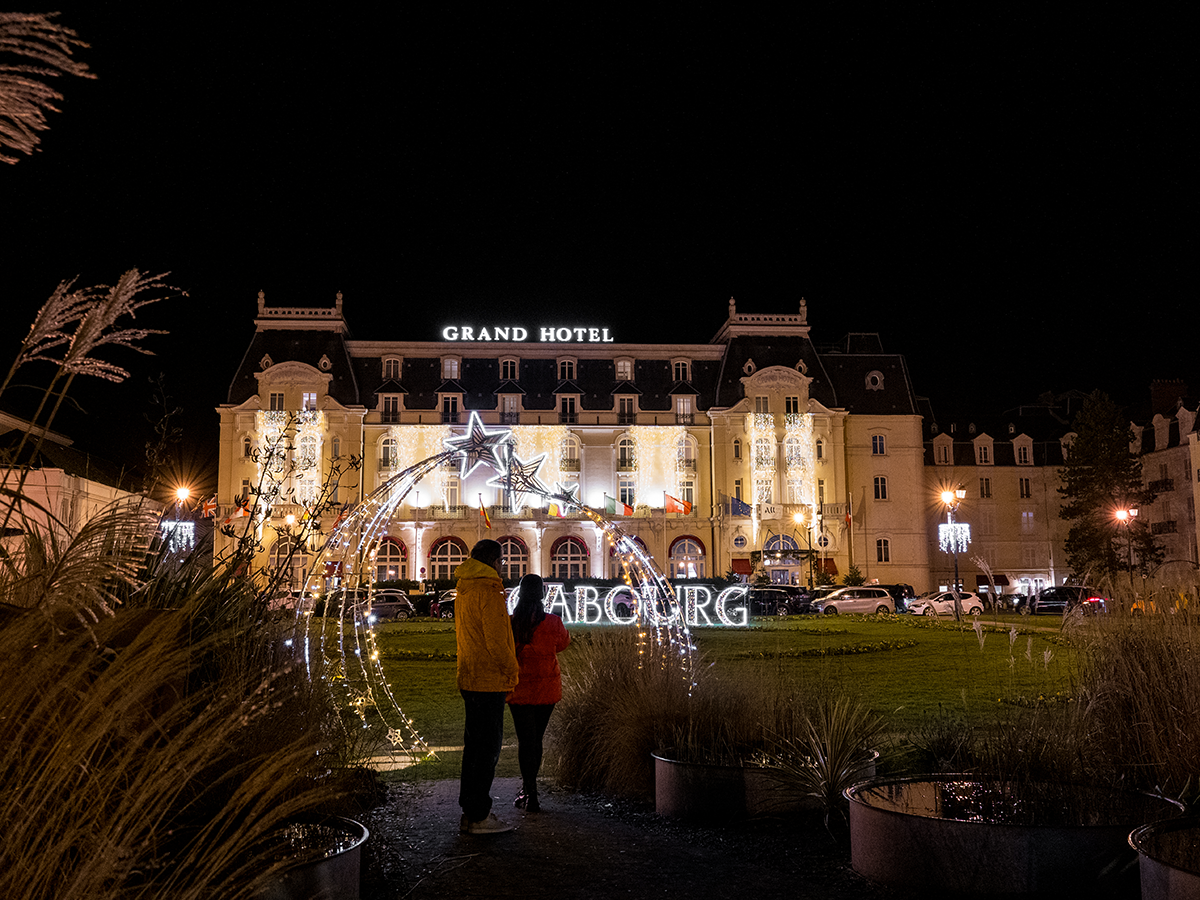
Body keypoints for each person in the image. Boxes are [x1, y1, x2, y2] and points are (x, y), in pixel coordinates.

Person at [455, 539, 520, 834]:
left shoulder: (465, 589)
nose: (503, 568)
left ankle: (470, 811)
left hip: (470, 675)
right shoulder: (489, 591)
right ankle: (480, 815)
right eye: (502, 561)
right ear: (494, 561)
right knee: (488, 750)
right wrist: (512, 671)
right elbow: (496, 641)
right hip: (488, 680)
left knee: (474, 748)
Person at [506, 573, 570, 813]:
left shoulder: (512, 622)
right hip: (546, 690)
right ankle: (531, 791)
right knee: (537, 740)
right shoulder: (552, 622)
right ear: (542, 594)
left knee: (526, 741)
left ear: (520, 594)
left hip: (520, 690)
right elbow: (563, 644)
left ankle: (529, 791)